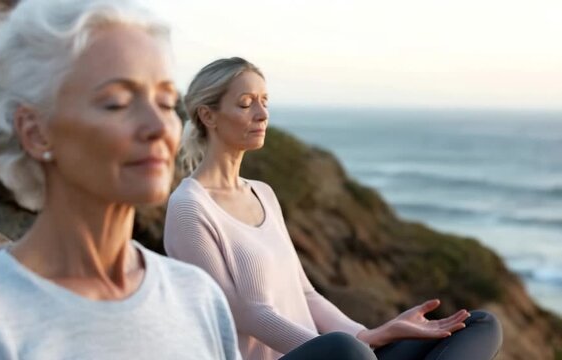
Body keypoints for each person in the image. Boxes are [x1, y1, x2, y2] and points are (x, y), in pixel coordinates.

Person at [0, 1, 240, 358]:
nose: (158, 127)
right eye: (117, 102)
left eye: (166, 102)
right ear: (35, 130)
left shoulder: (198, 298)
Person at [163, 57, 503, 360]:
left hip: (333, 354)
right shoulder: (190, 208)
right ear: (208, 115)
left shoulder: (262, 193)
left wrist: (365, 337)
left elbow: (307, 295)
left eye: (265, 101)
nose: (262, 114)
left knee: (479, 325)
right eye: (246, 103)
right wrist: (347, 350)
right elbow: (244, 314)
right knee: (344, 349)